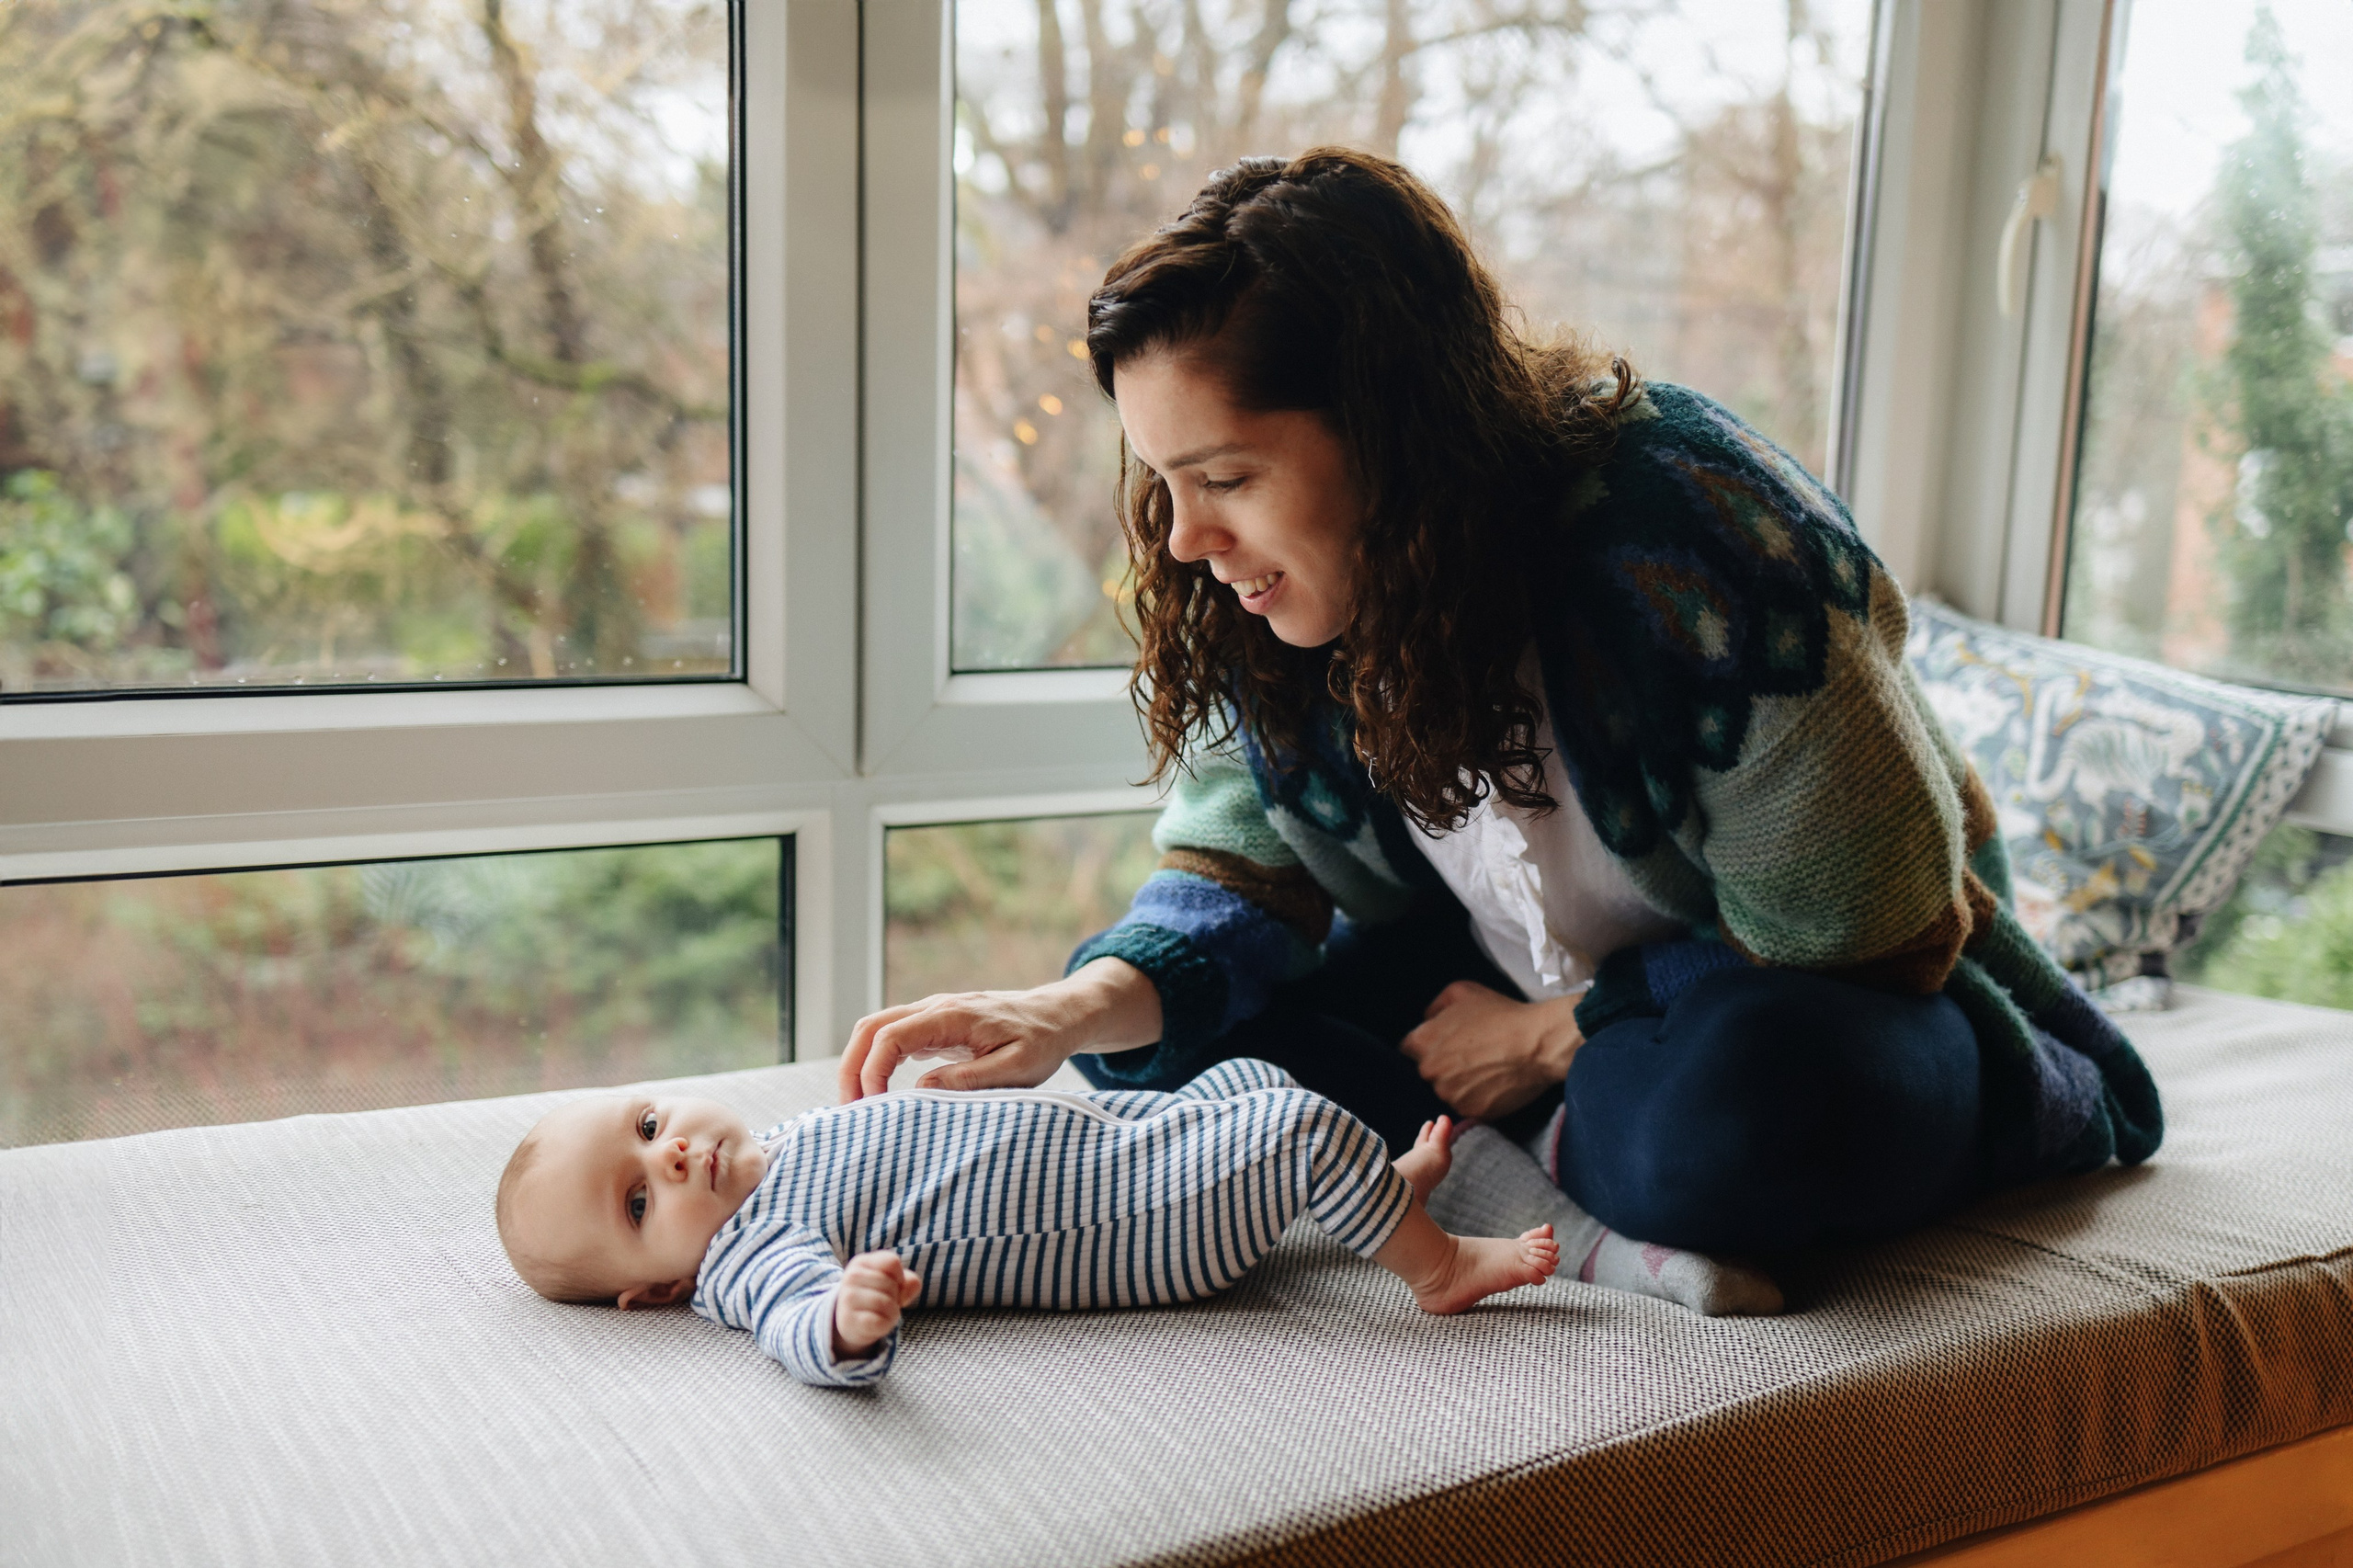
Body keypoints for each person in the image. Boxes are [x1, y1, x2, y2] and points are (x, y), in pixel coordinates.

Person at [838, 147, 2164, 1257]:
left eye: (1226, 477)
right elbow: (1236, 884)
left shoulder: (1697, 537)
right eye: (1163, 482)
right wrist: (1057, 1014)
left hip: (1823, 1002)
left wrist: (1549, 1037)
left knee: (1744, 1116)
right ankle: (1536, 1175)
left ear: (1391, 432)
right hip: (1521, 998)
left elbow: (1871, 930)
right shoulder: (1291, 605)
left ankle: (1536, 1146)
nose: (1183, 539)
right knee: (1189, 1044)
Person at [494, 1060, 1560, 1388]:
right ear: (661, 1286)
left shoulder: (782, 1137)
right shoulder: (745, 1255)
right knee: (1287, 1128)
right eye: (638, 1199)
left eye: (645, 1122)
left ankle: (1369, 1187)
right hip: (1130, 1222)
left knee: (1244, 1076)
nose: (669, 1150)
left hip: (1111, 1135)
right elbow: (792, 1326)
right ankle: (1435, 1263)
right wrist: (846, 1323)